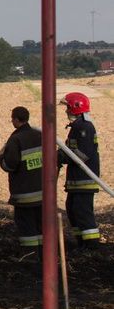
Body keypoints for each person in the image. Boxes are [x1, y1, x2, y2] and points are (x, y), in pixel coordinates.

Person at [0, 106, 45, 253]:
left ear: (16, 120)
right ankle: (43, 253)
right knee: (40, 224)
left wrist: (1, 159)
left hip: (24, 195)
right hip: (42, 192)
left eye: (12, 118)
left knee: (26, 225)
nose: (11, 121)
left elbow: (10, 165)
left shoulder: (15, 139)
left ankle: (30, 254)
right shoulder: (39, 135)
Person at [60, 92, 101, 249]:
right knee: (72, 209)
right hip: (77, 179)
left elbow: (82, 154)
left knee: (82, 212)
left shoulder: (85, 127)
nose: (66, 111)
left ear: (75, 107)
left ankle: (91, 246)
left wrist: (61, 157)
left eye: (68, 108)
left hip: (84, 178)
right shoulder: (77, 126)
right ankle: (81, 243)